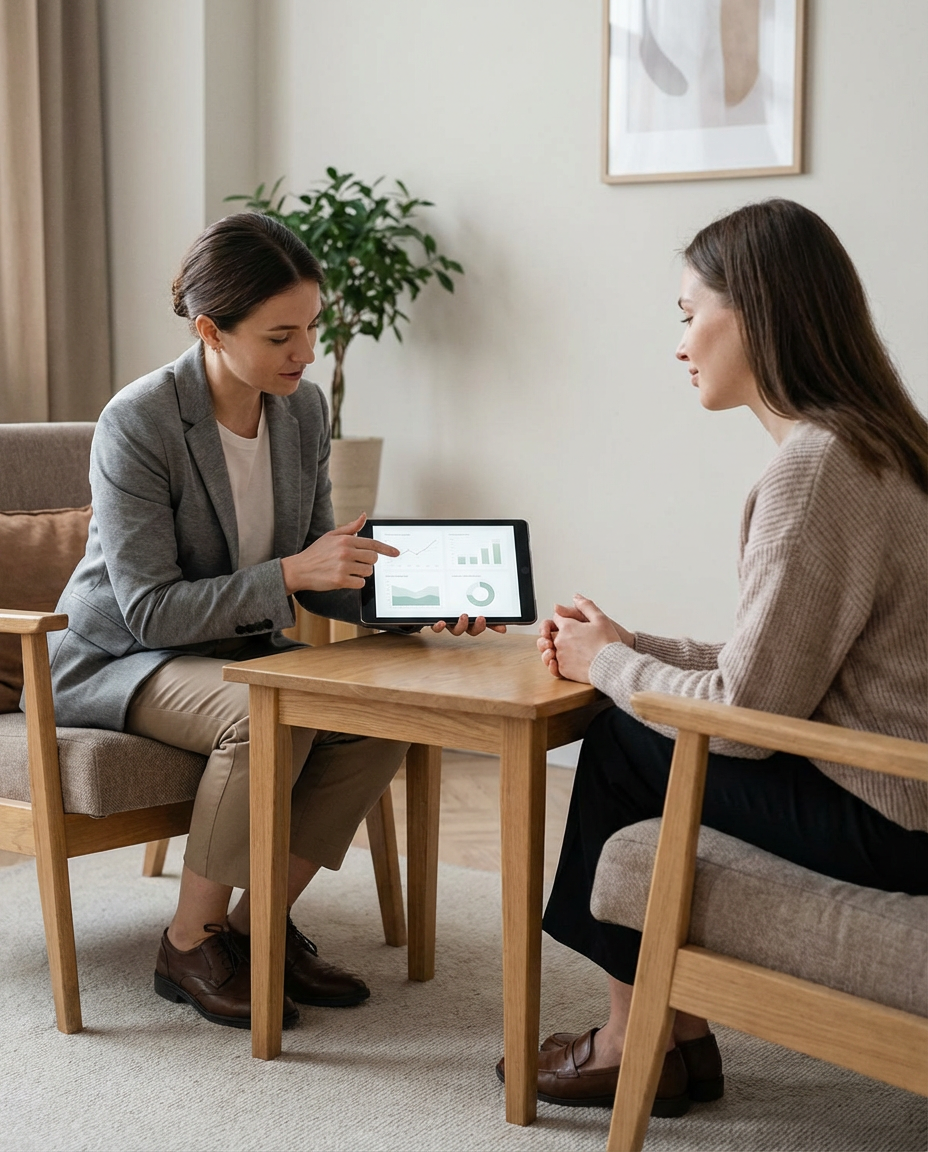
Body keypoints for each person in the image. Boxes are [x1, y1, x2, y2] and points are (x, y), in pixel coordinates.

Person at [506, 199, 928, 1115]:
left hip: (891, 816)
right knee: (630, 706)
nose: (681, 342)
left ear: (757, 314)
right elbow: (778, 664)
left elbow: (743, 721)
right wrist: (623, 644)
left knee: (620, 739)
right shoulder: (879, 443)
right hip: (900, 793)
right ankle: (681, 1038)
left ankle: (633, 1044)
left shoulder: (815, 468)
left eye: (690, 312)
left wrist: (608, 670)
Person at [48, 212, 495, 1031]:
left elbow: (320, 572)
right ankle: (190, 941)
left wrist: (409, 605)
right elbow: (148, 608)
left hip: (238, 647)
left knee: (378, 716)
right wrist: (291, 573)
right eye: (282, 335)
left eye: (312, 327)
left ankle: (256, 930)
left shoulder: (301, 412)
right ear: (211, 330)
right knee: (268, 712)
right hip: (123, 659)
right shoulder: (139, 421)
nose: (306, 353)